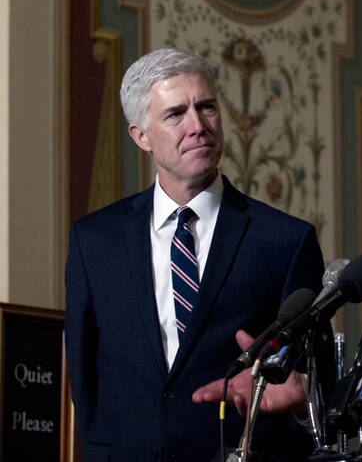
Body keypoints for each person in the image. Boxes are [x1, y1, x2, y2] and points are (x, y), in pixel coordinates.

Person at [65, 48, 324, 461]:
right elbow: (84, 376)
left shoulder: (285, 240)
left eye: (206, 107)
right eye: (175, 114)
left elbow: (310, 381)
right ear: (141, 136)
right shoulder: (94, 240)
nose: (198, 126)